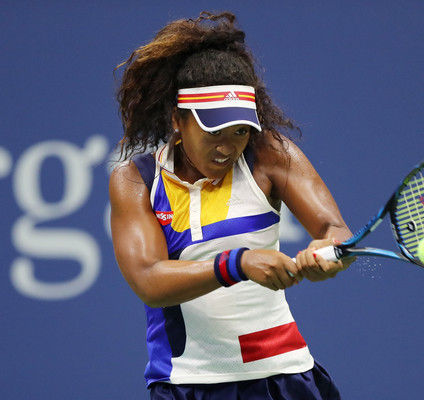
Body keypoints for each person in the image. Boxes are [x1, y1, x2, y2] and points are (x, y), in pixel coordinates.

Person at [109, 11, 353, 400]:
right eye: (213, 131)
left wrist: (329, 253)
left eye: (240, 131)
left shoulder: (269, 153)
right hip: (188, 383)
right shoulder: (136, 179)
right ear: (177, 120)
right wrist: (237, 263)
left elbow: (334, 231)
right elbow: (149, 281)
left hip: (284, 377)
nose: (227, 146)